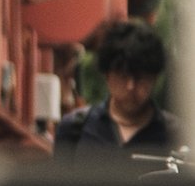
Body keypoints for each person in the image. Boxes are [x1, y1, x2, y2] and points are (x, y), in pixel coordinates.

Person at [54, 18, 179, 161]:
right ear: (107, 75)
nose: (130, 86)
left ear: (154, 78)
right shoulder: (74, 129)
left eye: (139, 77)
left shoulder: (176, 136)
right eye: (122, 76)